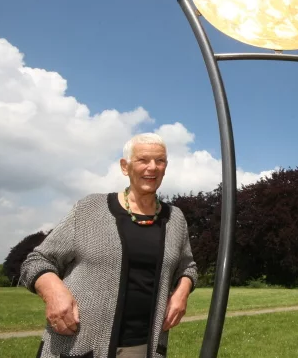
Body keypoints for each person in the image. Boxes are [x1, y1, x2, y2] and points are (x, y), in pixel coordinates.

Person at [21, 133, 197, 358]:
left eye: (160, 160)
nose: (152, 167)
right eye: (143, 160)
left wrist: (182, 292)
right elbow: (37, 261)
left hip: (141, 347)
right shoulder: (90, 208)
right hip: (78, 345)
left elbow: (188, 266)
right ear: (125, 166)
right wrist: (53, 291)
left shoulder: (175, 218)